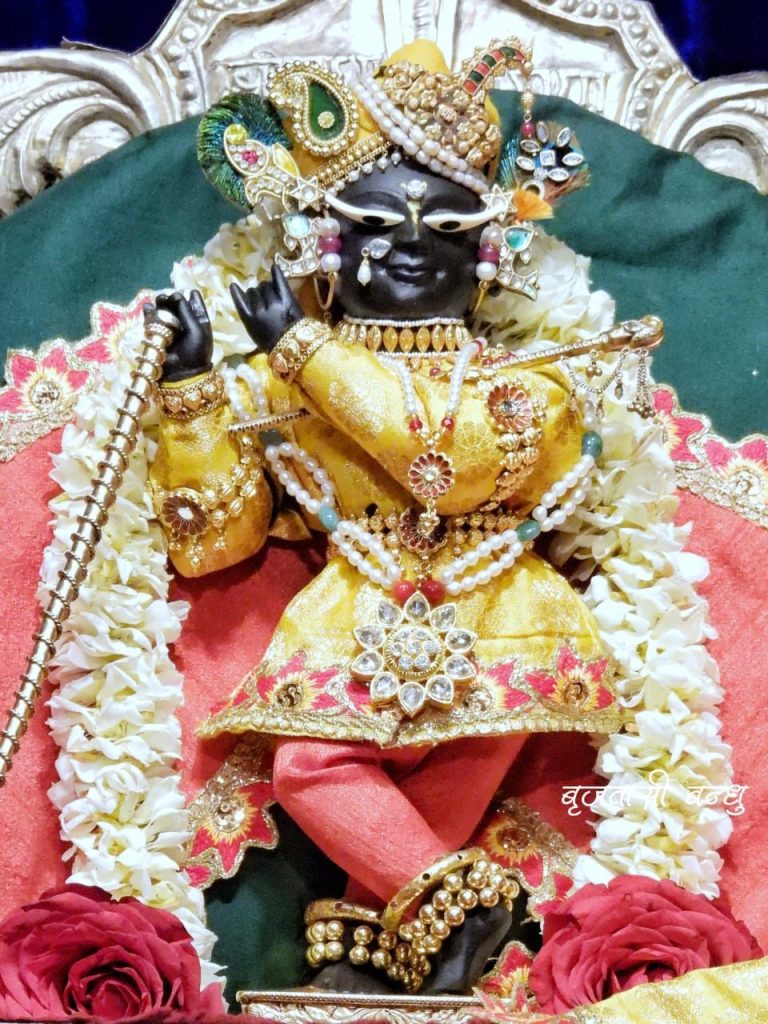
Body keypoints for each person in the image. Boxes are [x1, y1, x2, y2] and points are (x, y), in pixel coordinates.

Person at [147, 38, 634, 993]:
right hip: (352, 619)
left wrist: (303, 347)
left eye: (445, 224)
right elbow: (210, 544)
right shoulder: (284, 382)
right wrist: (193, 392)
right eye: (374, 221)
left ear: (488, 249)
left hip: (501, 619)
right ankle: (441, 920)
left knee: (410, 778)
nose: (410, 240)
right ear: (327, 241)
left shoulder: (528, 380)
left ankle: (391, 957)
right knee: (310, 767)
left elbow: (442, 462)